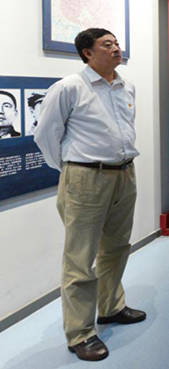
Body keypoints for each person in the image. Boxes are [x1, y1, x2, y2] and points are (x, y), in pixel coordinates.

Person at [34, 28, 145, 362]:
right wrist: (73, 170)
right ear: (87, 53)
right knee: (80, 258)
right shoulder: (70, 87)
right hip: (85, 178)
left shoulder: (127, 86)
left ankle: (111, 307)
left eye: (117, 43)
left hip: (124, 173)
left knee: (117, 247)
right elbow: (46, 135)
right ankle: (80, 333)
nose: (116, 49)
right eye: (107, 45)